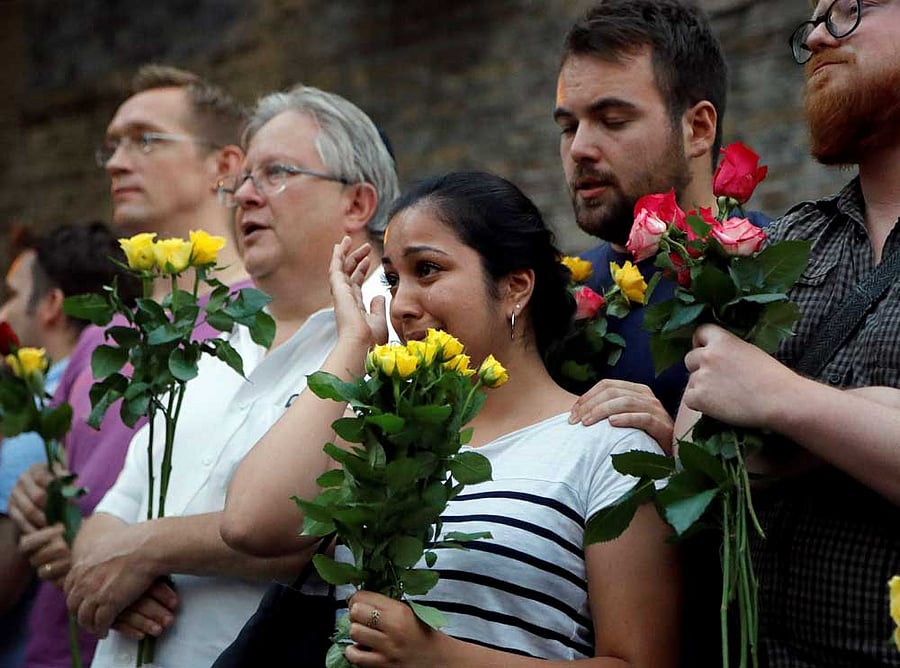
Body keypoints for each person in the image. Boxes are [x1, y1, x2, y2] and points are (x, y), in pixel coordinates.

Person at [222, 171, 679, 665]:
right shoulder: (382, 434)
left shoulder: (605, 445)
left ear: (514, 287)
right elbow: (250, 524)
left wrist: (439, 657)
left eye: (428, 270)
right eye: (393, 279)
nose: (402, 305)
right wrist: (353, 341)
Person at [63, 84, 399, 668]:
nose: (244, 196)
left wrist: (144, 551)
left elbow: (319, 529)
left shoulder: (392, 338)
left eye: (275, 174)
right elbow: (119, 501)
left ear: (357, 203)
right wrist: (103, 573)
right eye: (241, 179)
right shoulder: (215, 343)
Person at [679, 0, 900, 665]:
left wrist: (783, 400)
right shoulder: (790, 242)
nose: (814, 37)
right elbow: (692, 445)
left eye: (848, 8)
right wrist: (862, 424)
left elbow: (746, 394)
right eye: (811, 21)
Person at [6, 65, 248, 668]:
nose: (115, 161)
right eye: (111, 144)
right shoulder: (102, 335)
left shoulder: (260, 323)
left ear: (224, 165)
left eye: (145, 139)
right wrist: (44, 495)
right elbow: (73, 480)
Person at [555, 0, 768, 443]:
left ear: (699, 129)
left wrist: (676, 451)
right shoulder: (554, 298)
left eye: (612, 121)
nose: (579, 148)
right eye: (568, 127)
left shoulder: (780, 272)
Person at [0, 223, 135, 668]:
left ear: (52, 305)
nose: (3, 311)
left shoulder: (34, 425)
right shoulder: (120, 390)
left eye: (12, 296)